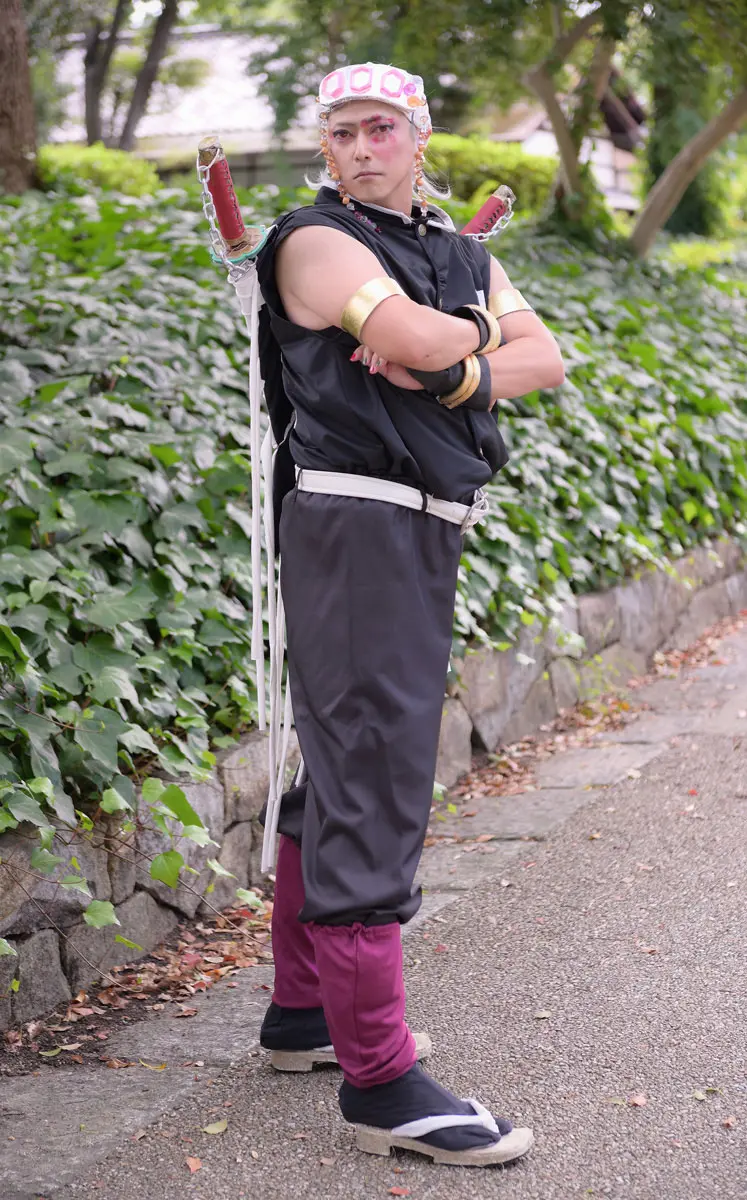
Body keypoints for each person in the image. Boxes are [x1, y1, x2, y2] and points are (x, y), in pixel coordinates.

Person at [254, 61, 564, 1167]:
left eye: (381, 127)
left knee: (348, 763)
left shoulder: (458, 249)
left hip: (423, 524)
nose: (360, 147)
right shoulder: (312, 242)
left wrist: (454, 366)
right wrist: (464, 343)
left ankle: (302, 1015)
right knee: (375, 778)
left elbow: (542, 360)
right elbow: (425, 339)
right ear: (325, 147)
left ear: (420, 136)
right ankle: (381, 1083)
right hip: (354, 522)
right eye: (342, 131)